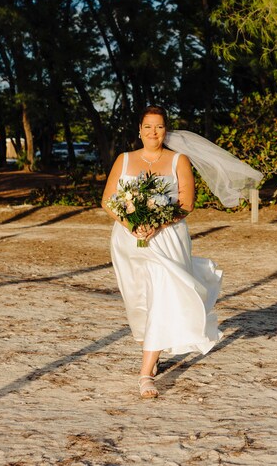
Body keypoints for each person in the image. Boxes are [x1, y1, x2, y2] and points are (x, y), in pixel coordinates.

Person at [102, 107, 223, 399]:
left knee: (163, 294)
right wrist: (133, 224)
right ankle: (153, 350)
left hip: (167, 238)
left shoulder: (179, 160)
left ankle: (145, 373)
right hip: (128, 241)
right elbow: (108, 200)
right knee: (139, 300)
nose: (153, 132)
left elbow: (186, 203)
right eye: (148, 127)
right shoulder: (125, 159)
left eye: (159, 127)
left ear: (165, 131)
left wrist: (157, 223)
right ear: (139, 130)